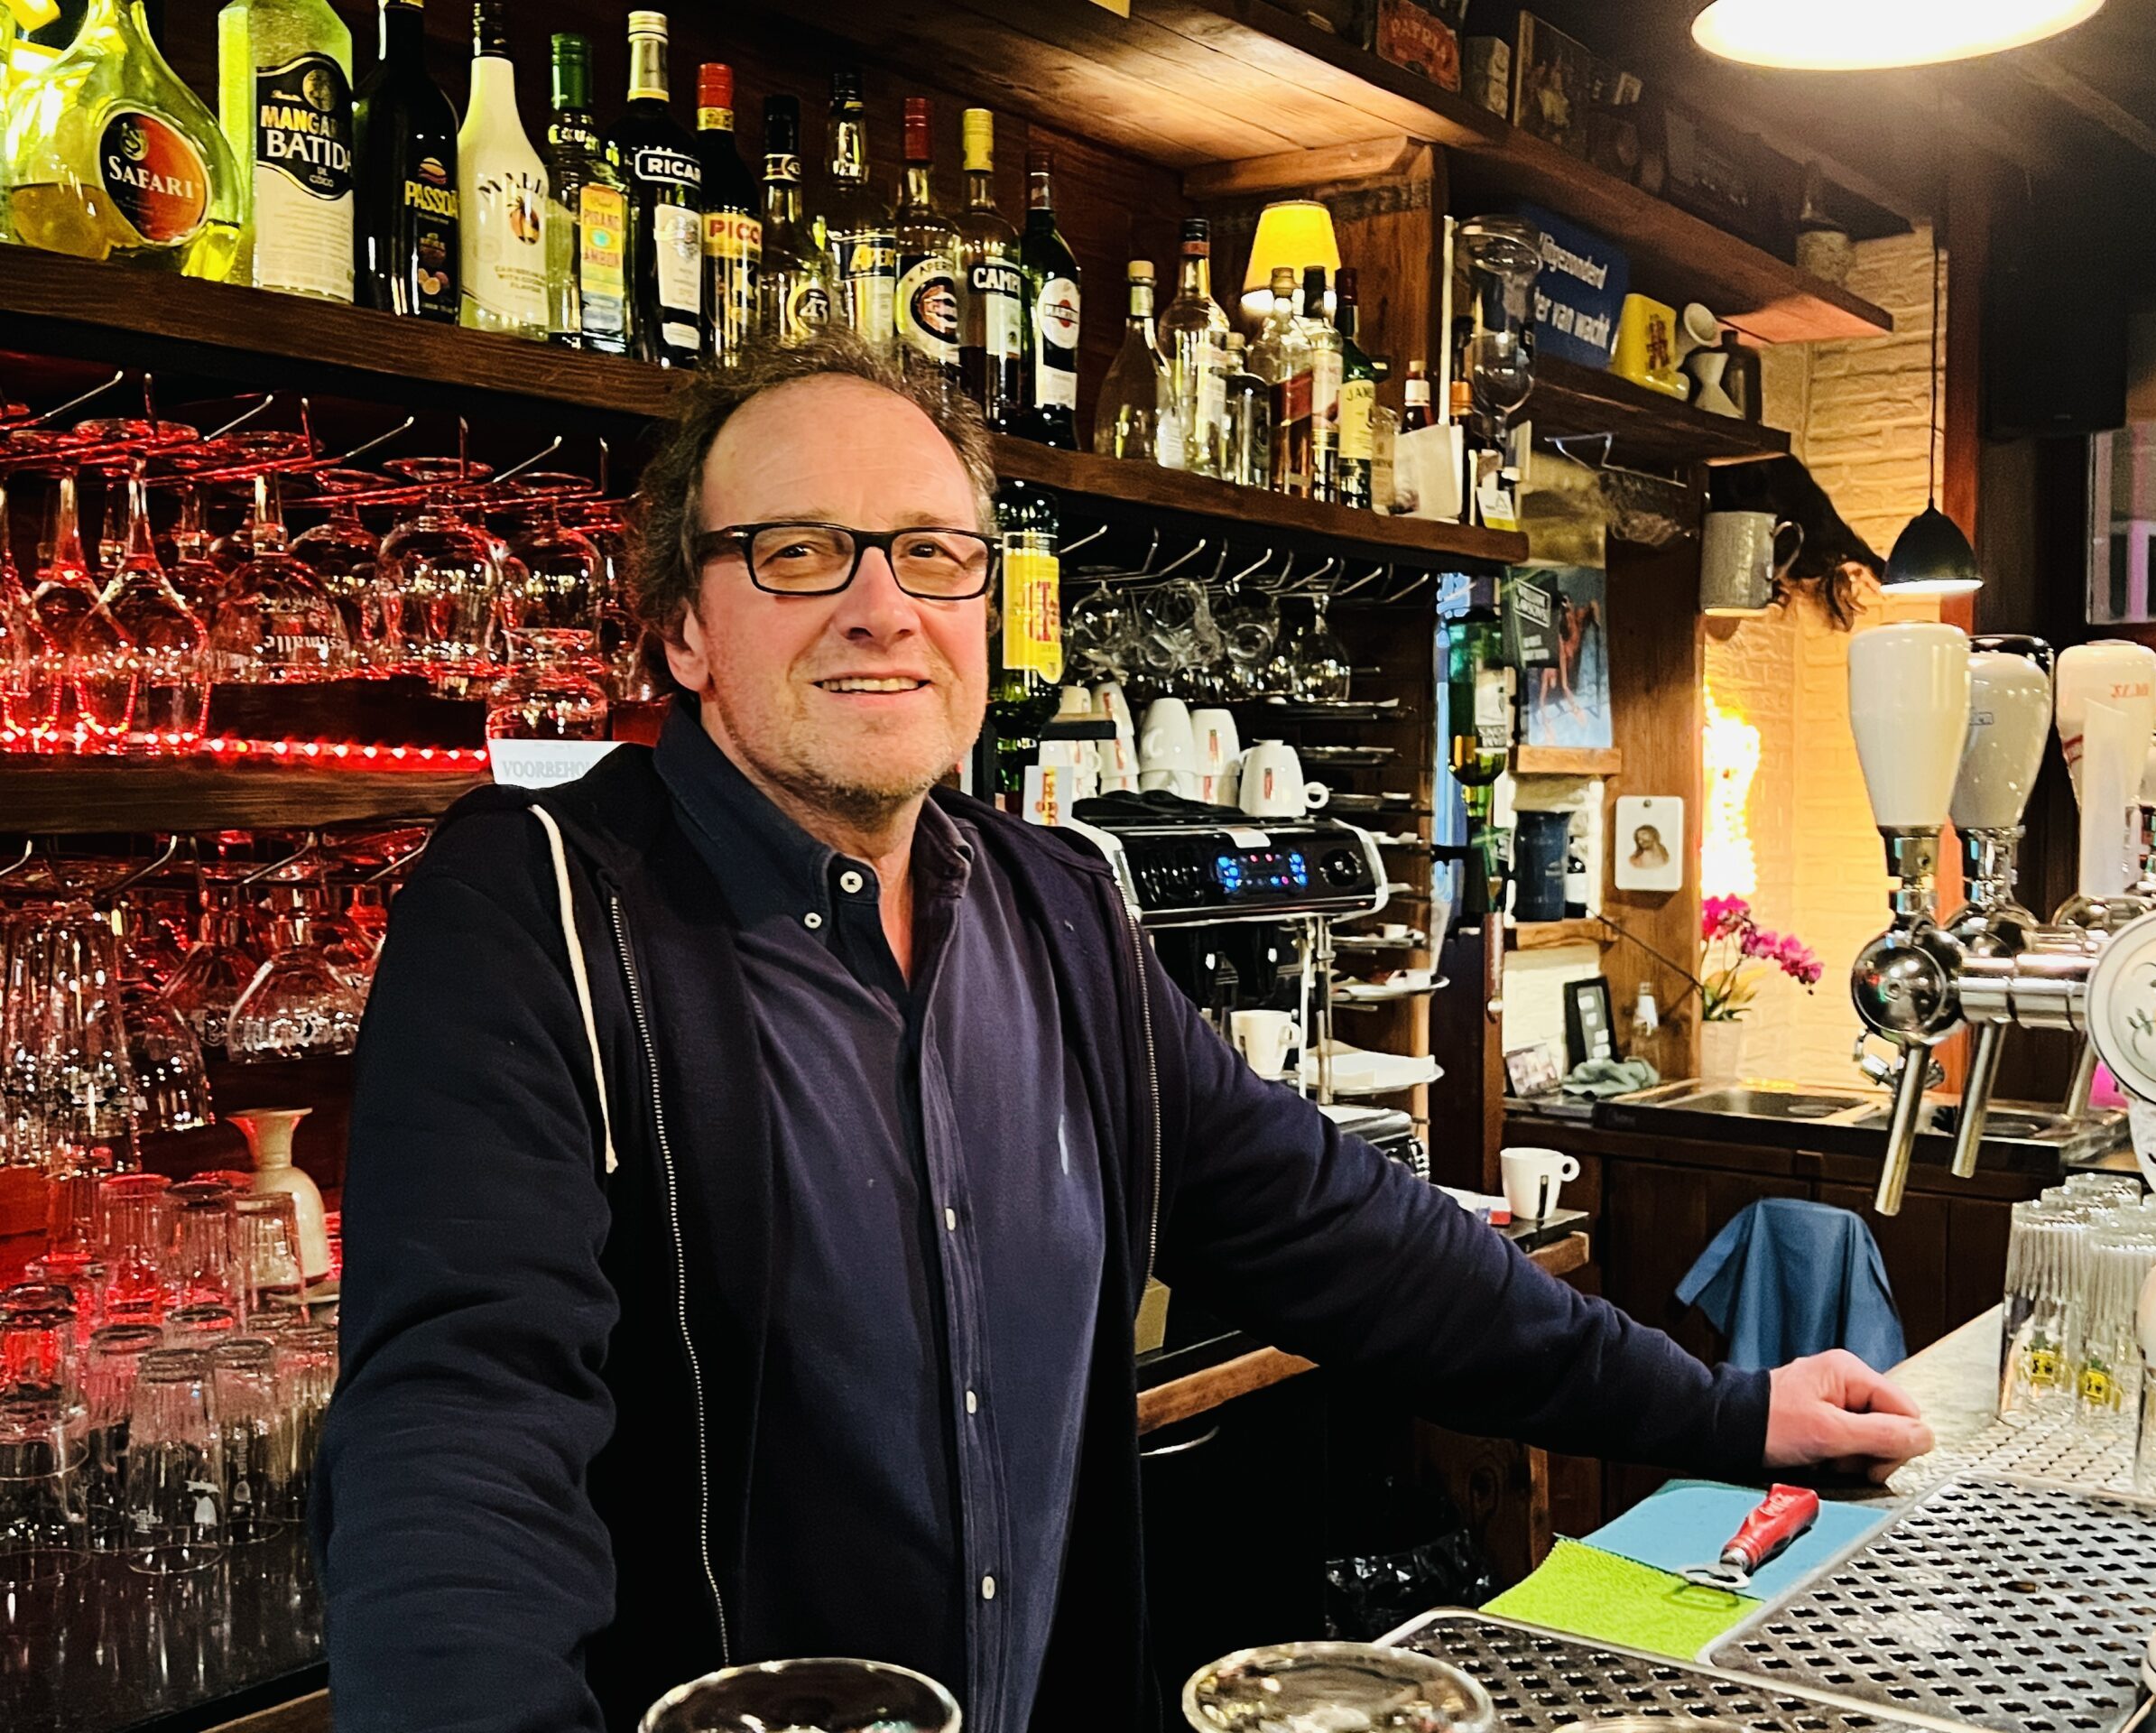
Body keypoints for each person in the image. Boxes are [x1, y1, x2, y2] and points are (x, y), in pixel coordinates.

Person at [316, 332, 1932, 1733]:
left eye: (934, 553)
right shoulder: (530, 906)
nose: (883, 608)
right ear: (681, 627)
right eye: (801, 550)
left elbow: (1337, 1230)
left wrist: (1719, 1407)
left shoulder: (1054, 907)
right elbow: (466, 1434)